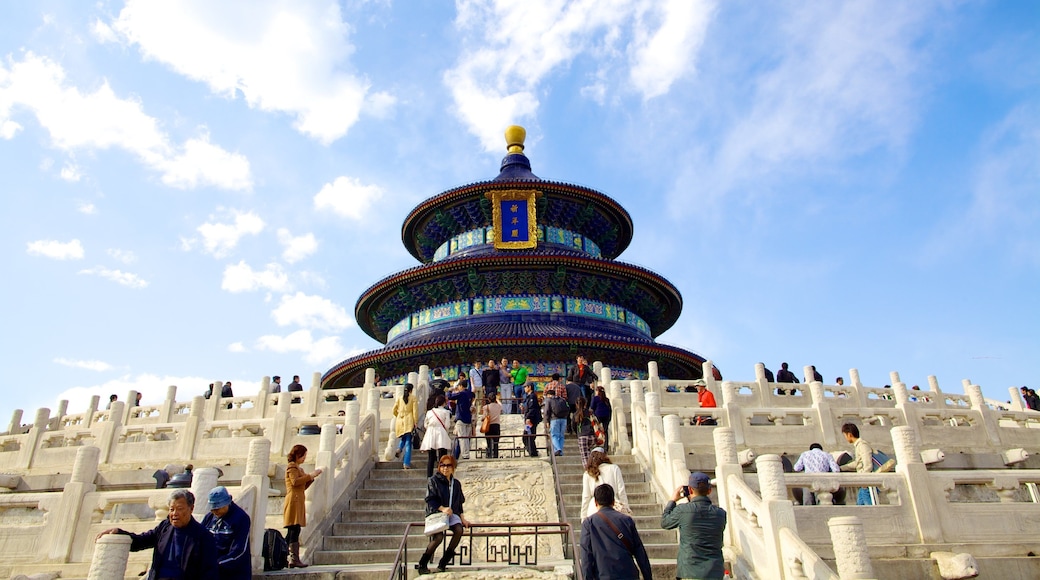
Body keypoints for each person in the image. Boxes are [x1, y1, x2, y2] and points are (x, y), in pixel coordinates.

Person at [97, 489, 219, 580]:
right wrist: (119, 532)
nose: (174, 513)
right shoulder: (164, 527)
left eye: (180, 509)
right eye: (172, 509)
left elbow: (209, 573)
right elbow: (140, 541)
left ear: (191, 509)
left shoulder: (204, 537)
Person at [661, 472, 727, 580]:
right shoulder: (721, 514)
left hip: (690, 571)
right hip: (715, 572)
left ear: (690, 490)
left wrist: (672, 500)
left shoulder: (682, 510)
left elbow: (665, 522)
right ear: (709, 490)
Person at [580, 484, 653, 580]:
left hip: (603, 575)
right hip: (628, 574)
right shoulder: (627, 520)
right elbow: (640, 552)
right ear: (613, 501)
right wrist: (648, 577)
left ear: (596, 502)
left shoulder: (589, 523)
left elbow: (586, 557)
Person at [418, 454, 471, 574]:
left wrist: (463, 518)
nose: (445, 468)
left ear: (453, 468)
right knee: (439, 537)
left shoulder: (456, 483)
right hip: (437, 512)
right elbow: (430, 499)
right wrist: (442, 508)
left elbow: (459, 503)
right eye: (442, 465)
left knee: (459, 530)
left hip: (451, 514)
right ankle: (423, 563)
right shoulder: (433, 480)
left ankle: (444, 562)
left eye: (448, 465)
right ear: (439, 467)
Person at [284, 444, 323, 567]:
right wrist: (310, 475)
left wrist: (311, 478)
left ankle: (291, 557)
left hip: (299, 499)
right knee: (293, 529)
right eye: (303, 455)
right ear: (297, 455)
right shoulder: (292, 468)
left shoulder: (299, 469)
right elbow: (295, 482)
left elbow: (302, 486)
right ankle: (290, 557)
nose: (304, 458)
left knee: (295, 529)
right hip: (293, 500)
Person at [201, 486, 251, 579]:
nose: (214, 512)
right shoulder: (209, 517)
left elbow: (239, 550)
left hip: (233, 573)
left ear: (227, 503)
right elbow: (200, 538)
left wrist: (217, 564)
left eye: (217, 508)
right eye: (212, 509)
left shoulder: (241, 518)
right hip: (212, 571)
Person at [581, 448, 628, 519]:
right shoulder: (614, 468)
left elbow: (586, 497)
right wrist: (626, 509)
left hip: (594, 509)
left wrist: (583, 516)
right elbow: (621, 491)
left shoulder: (588, 473)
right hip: (613, 506)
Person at [839, 423, 875, 505]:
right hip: (862, 483)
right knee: (860, 505)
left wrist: (865, 480)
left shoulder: (862, 445)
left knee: (868, 506)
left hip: (865, 482)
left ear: (849, 434)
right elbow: (857, 463)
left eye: (845, 435)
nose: (845, 438)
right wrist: (842, 468)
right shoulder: (858, 445)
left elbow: (867, 463)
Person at [421, 394, 453, 476]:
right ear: (443, 403)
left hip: (431, 433)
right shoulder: (446, 412)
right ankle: (441, 474)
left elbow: (425, 424)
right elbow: (447, 425)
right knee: (442, 457)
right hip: (441, 432)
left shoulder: (429, 412)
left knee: (431, 458)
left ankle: (429, 476)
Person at [447, 380, 475, 460]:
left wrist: (450, 390)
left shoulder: (461, 393)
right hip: (468, 418)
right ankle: (466, 453)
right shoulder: (470, 393)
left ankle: (465, 455)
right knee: (466, 437)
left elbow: (450, 397)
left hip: (461, 417)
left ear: (461, 386)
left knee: (462, 438)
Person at [393, 383, 418, 469]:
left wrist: (398, 416)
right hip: (409, 420)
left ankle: (399, 448)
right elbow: (415, 411)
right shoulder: (413, 398)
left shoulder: (400, 398)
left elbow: (394, 410)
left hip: (400, 420)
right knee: (408, 442)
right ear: (411, 390)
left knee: (404, 437)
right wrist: (415, 421)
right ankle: (406, 462)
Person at [545, 388, 569, 456]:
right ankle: (560, 452)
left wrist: (547, 421)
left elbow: (547, 411)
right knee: (561, 436)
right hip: (564, 419)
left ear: (549, 395)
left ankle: (558, 449)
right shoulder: (562, 399)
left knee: (554, 435)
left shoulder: (549, 400)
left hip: (554, 419)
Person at [574, 397, 596, 468]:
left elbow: (573, 426)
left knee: (584, 457)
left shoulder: (576, 414)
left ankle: (588, 471)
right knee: (592, 455)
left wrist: (577, 433)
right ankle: (594, 468)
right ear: (585, 404)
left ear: (576, 404)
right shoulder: (590, 412)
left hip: (582, 436)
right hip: (592, 435)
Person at [522, 383, 541, 457]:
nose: (524, 389)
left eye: (525, 387)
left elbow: (532, 408)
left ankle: (533, 452)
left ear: (529, 387)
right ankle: (531, 451)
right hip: (528, 419)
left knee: (529, 436)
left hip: (531, 420)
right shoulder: (528, 396)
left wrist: (528, 417)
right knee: (526, 436)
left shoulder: (532, 396)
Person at [481, 394, 502, 458]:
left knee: (488, 441)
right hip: (496, 425)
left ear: (489, 399)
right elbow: (501, 405)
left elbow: (483, 417)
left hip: (489, 425)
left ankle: (489, 454)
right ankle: (496, 454)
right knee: (496, 442)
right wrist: (497, 400)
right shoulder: (498, 406)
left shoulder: (485, 407)